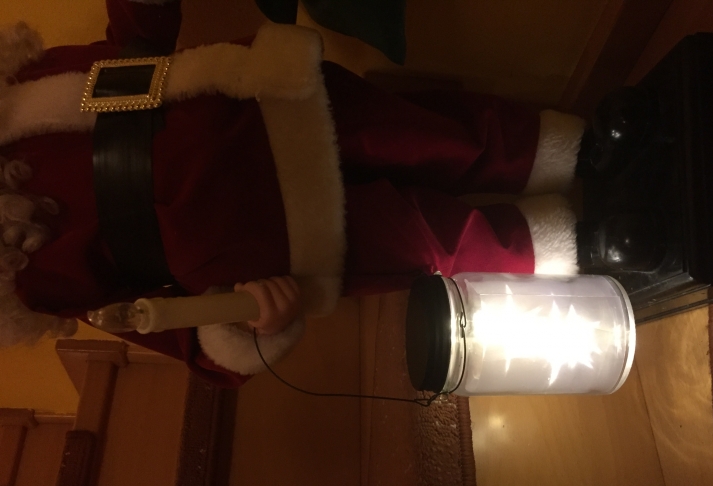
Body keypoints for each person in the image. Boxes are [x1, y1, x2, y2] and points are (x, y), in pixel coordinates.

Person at [0, 0, 587, 387]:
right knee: (433, 242)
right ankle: (576, 240)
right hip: (280, 239)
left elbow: (134, 49)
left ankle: (578, 152)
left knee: (439, 137)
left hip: (271, 108)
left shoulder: (21, 86)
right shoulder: (30, 280)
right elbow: (163, 326)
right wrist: (245, 325)